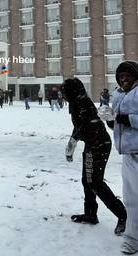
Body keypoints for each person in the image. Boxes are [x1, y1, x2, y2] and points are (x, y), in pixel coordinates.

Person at [61, 77, 127, 236]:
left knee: (95, 182)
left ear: (72, 91)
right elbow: (79, 127)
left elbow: (84, 125)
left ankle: (124, 216)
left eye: (65, 91)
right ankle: (91, 214)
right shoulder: (76, 102)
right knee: (87, 180)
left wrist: (72, 143)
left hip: (99, 144)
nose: (63, 94)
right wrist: (72, 144)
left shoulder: (82, 102)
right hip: (93, 144)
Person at [101, 61, 138, 254]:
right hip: (129, 155)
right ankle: (132, 240)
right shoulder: (118, 95)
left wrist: (125, 118)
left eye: (128, 75)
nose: (124, 79)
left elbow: (126, 119)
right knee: (131, 200)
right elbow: (117, 124)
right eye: (121, 76)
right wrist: (110, 120)